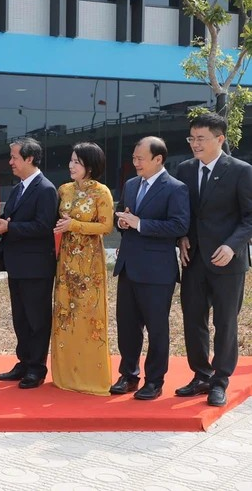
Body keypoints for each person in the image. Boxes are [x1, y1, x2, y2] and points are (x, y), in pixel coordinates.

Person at [174, 113, 252, 407]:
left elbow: (249, 217)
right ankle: (201, 375)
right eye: (191, 138)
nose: (195, 144)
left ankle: (220, 380)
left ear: (220, 139)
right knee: (193, 319)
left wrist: (232, 246)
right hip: (193, 259)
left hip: (227, 261)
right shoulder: (184, 169)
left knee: (225, 321)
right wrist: (181, 237)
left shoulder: (241, 171)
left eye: (201, 139)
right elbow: (182, 212)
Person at [111, 136, 189, 400]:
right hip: (128, 266)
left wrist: (140, 223)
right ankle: (128, 375)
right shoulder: (131, 184)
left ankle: (154, 381)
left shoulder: (175, 188)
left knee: (157, 329)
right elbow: (122, 212)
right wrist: (122, 222)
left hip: (157, 271)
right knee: (127, 326)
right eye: (134, 158)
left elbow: (179, 225)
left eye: (140, 158)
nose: (136, 163)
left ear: (158, 159)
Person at [0, 137, 58, 389]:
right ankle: (24, 362)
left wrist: (11, 227)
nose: (10, 162)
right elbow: (11, 219)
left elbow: (44, 226)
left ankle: (36, 368)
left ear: (29, 158)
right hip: (17, 264)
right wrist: (0, 226)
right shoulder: (18, 189)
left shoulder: (46, 189)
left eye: (14, 157)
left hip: (36, 267)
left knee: (37, 319)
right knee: (20, 318)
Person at [51, 142, 113, 395]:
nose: (71, 165)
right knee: (65, 315)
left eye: (77, 161)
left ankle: (91, 377)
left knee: (88, 318)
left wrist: (75, 225)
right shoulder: (64, 190)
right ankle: (65, 375)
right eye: (71, 160)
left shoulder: (101, 192)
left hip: (89, 266)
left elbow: (106, 227)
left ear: (90, 165)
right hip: (66, 263)